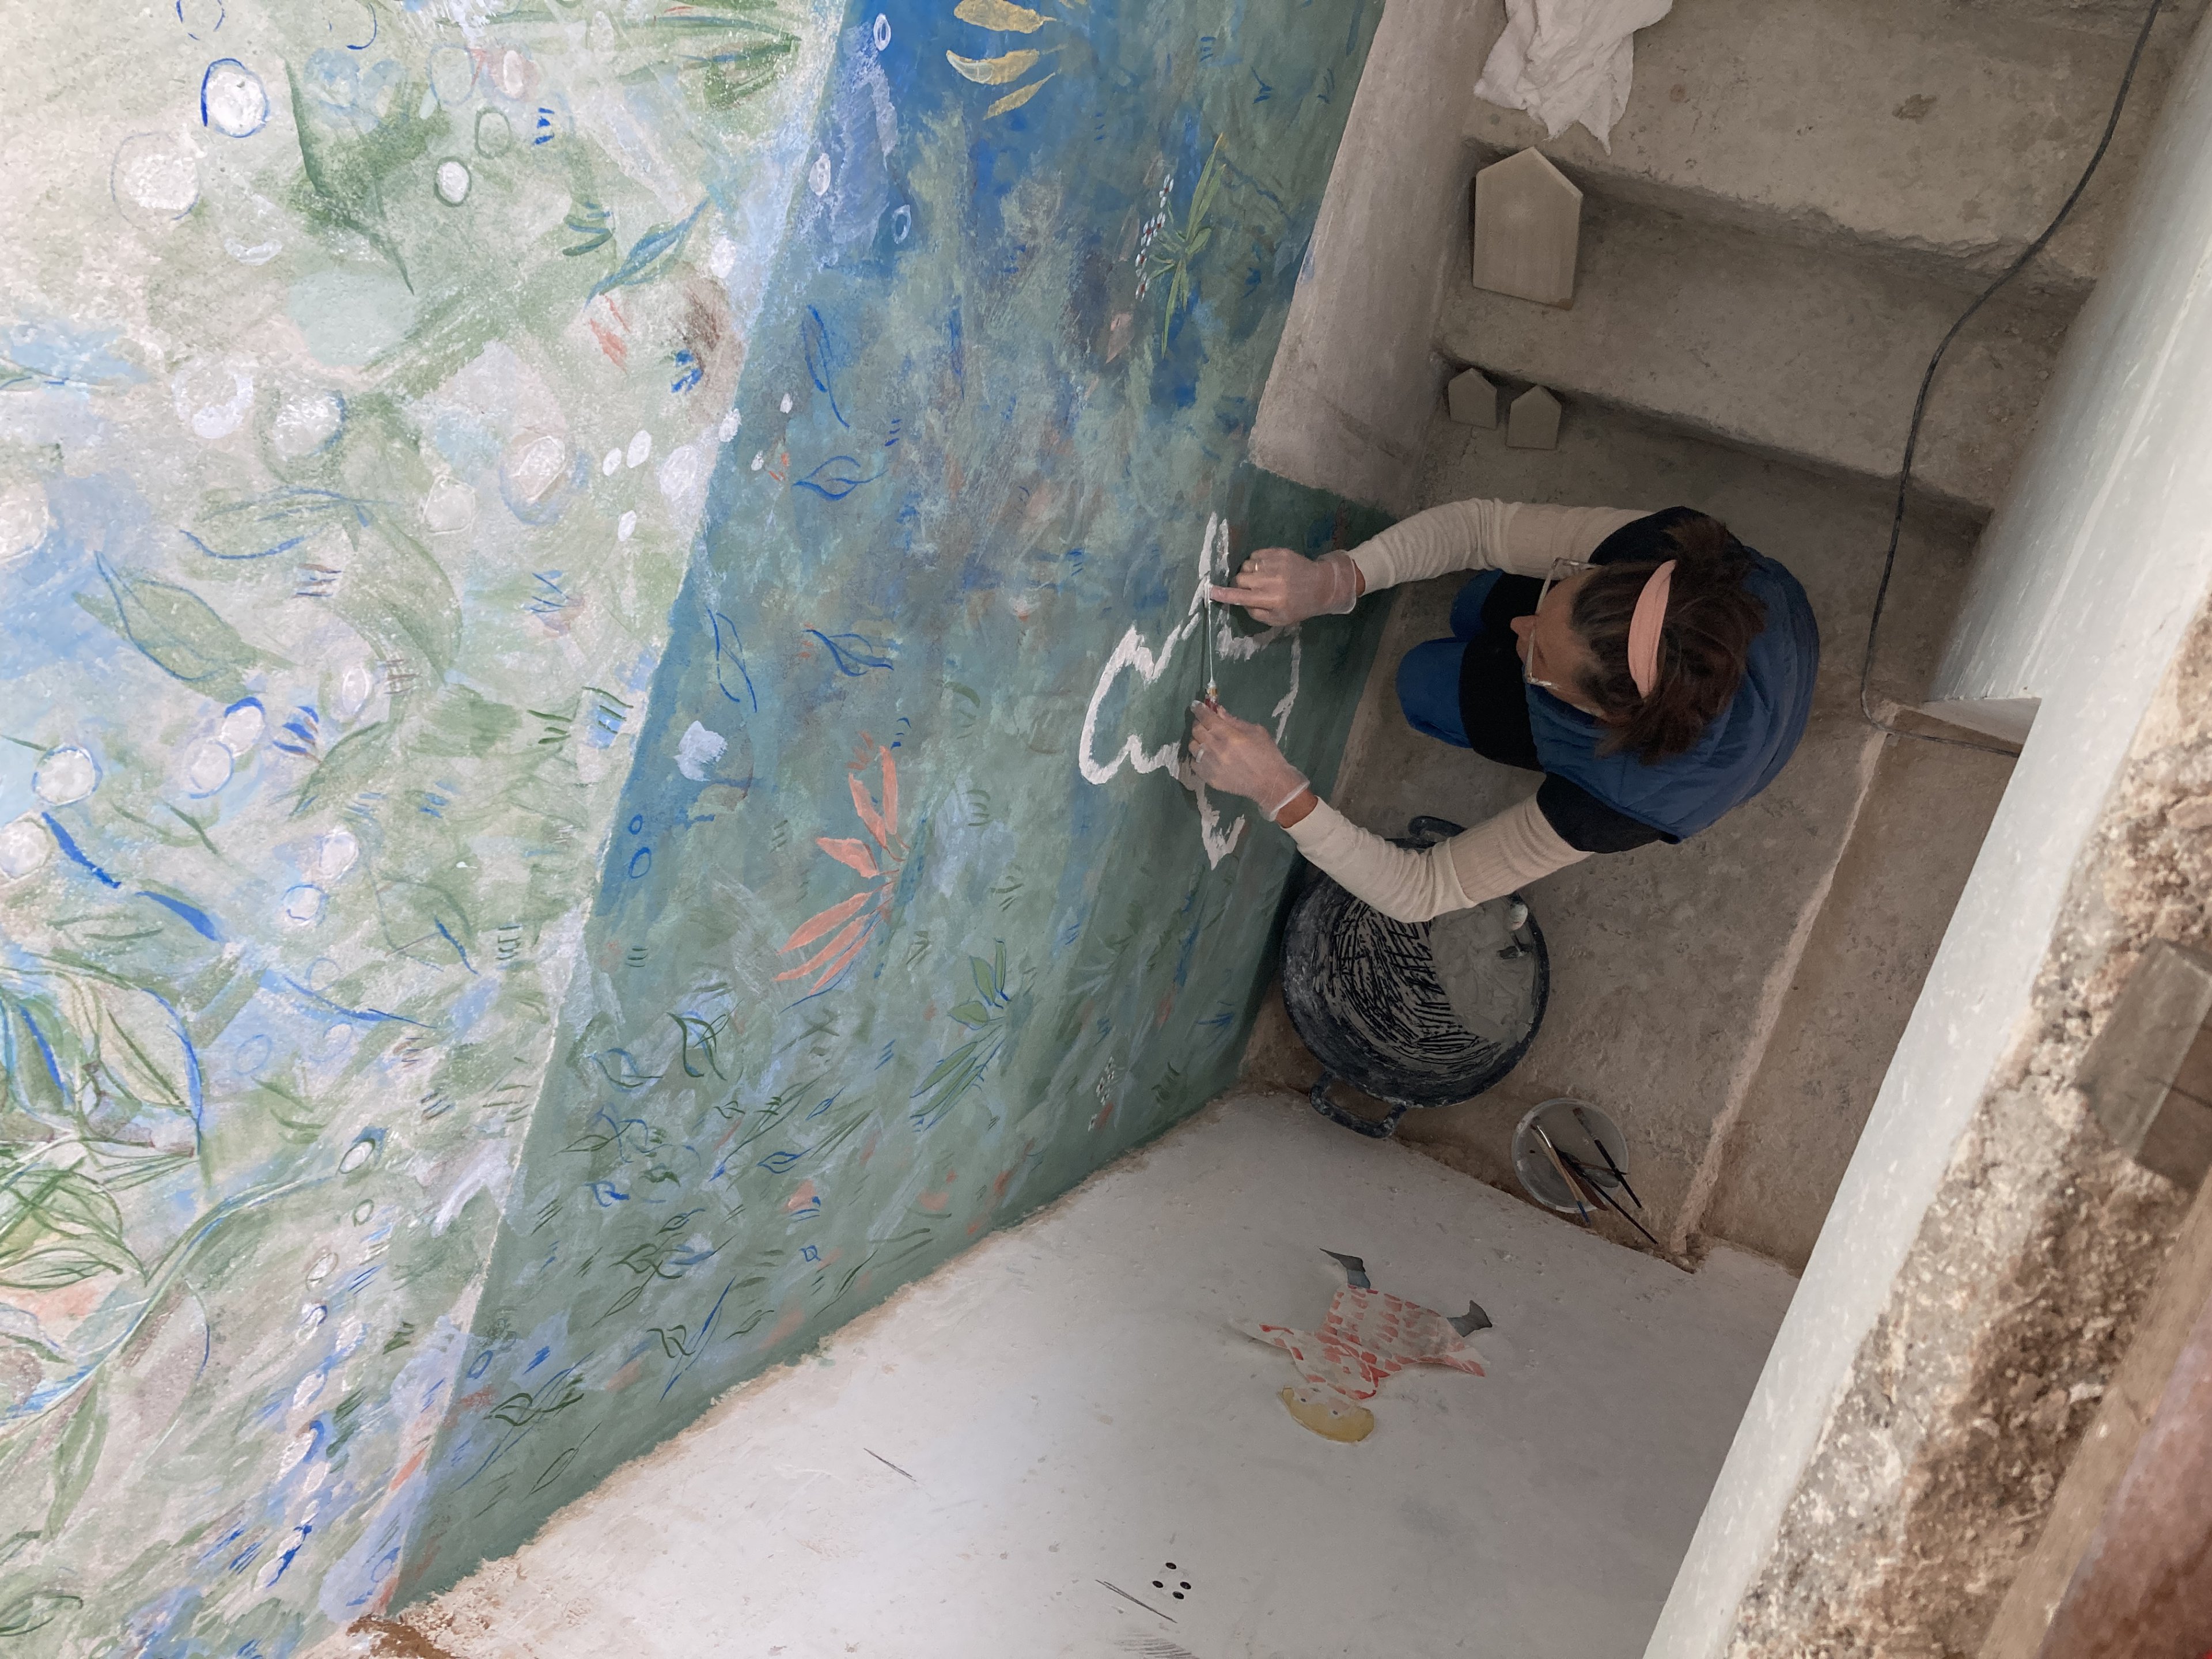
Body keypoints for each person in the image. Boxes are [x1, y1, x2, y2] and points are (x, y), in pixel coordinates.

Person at [1187, 498, 1819, 923]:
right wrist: (1337, 579)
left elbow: (1423, 890)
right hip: (1746, 644)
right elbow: (1479, 528)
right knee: (1478, 603)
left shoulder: (1615, 804)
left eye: (1537, 653)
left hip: (1664, 756)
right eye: (1557, 596)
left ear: (1597, 715)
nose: (1522, 626)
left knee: (1422, 682)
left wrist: (1277, 790)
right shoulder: (1676, 550)